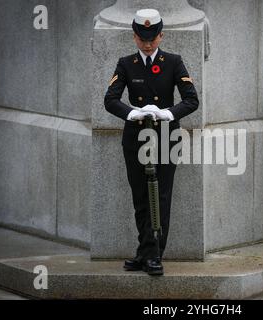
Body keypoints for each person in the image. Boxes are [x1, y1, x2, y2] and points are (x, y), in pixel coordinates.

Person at [104, 8, 199, 276]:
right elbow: (110, 100)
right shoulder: (126, 64)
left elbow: (191, 99)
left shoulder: (174, 62)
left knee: (162, 195)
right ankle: (145, 250)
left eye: (153, 38)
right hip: (136, 138)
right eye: (142, 38)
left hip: (166, 136)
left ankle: (155, 254)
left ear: (161, 35)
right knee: (141, 197)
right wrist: (133, 112)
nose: (148, 44)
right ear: (134, 37)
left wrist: (167, 113)